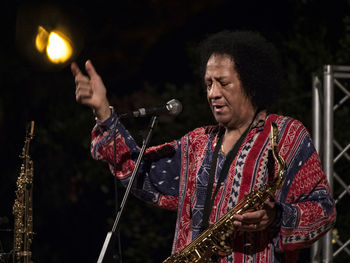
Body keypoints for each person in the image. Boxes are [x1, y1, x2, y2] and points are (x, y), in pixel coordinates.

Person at [71, 30, 336, 262]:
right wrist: (104, 112)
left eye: (223, 82)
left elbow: (324, 211)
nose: (212, 93)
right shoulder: (197, 142)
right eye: (208, 83)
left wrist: (277, 216)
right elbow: (138, 170)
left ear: (251, 83)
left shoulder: (287, 136)